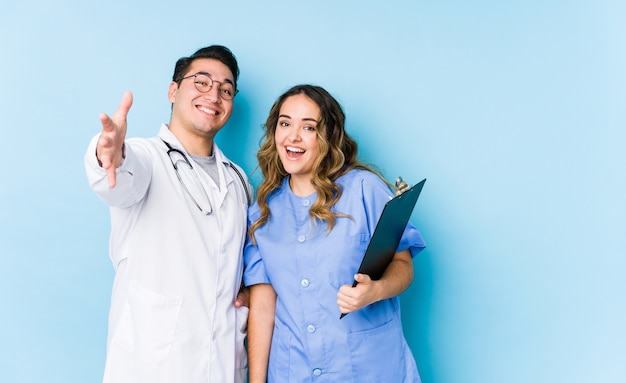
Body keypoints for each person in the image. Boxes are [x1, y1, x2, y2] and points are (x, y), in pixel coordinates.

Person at [84, 45, 252, 383]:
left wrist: (247, 291)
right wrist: (109, 155)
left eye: (226, 89)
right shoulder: (146, 156)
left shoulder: (237, 180)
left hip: (222, 364)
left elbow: (239, 263)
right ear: (173, 90)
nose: (214, 95)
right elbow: (119, 180)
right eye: (201, 83)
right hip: (151, 365)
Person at [244, 84, 426, 382]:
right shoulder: (262, 212)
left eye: (309, 127)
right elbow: (263, 306)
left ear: (327, 137)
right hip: (293, 371)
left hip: (369, 367)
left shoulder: (365, 189)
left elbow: (403, 265)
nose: (293, 136)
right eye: (285, 123)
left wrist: (375, 291)